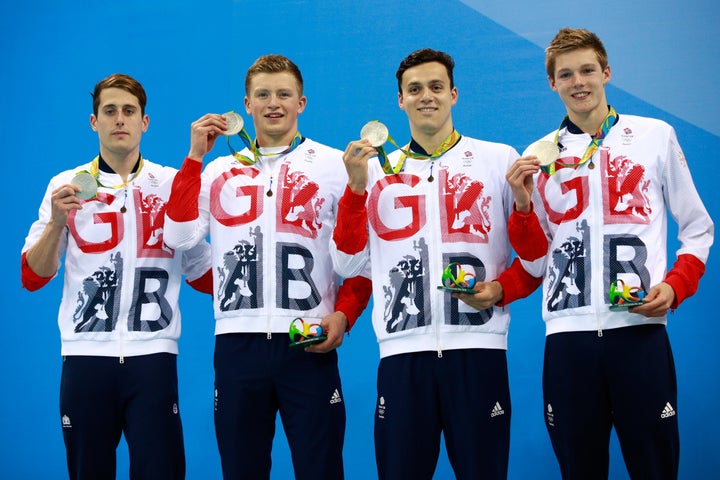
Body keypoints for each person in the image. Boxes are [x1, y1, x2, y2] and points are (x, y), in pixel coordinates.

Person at [505, 27, 714, 479]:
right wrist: (522, 205)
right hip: (567, 341)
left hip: (638, 333)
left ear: (606, 73)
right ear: (552, 83)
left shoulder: (654, 136)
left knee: (655, 469)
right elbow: (536, 260)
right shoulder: (538, 155)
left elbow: (698, 229)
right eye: (566, 74)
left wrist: (675, 288)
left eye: (587, 70)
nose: (578, 81)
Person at [330, 48, 542, 480]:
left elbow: (537, 259)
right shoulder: (370, 172)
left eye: (436, 87)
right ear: (400, 101)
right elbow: (348, 263)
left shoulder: (498, 159)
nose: (426, 96)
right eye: (415, 89)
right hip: (403, 355)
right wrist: (354, 190)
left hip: (478, 350)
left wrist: (500, 287)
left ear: (454, 94)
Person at [162, 54, 372, 480]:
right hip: (239, 342)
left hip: (308, 338)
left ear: (302, 103)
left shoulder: (335, 165)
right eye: (263, 95)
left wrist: (345, 315)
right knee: (242, 470)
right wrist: (193, 158)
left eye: (283, 94)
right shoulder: (218, 170)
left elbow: (365, 262)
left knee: (321, 469)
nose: (273, 103)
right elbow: (180, 238)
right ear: (246, 104)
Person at [21, 73, 213, 479]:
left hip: (153, 358)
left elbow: (201, 270)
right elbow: (33, 276)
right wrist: (57, 222)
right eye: (110, 111)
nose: (119, 119)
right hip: (85, 358)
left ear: (145, 122)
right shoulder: (64, 186)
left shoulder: (171, 184)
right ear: (94, 122)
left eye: (129, 111)